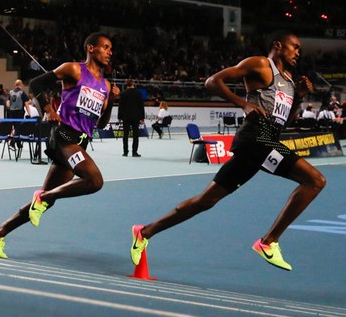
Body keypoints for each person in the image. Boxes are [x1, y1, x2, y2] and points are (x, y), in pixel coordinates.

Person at [130, 31, 326, 272]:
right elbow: (212, 81)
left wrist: (299, 96)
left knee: (206, 200)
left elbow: (283, 121)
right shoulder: (262, 65)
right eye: (295, 46)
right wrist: (243, 103)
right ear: (278, 45)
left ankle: (145, 231)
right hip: (256, 139)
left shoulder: (289, 79)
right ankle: (269, 242)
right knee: (315, 180)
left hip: (266, 140)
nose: (298, 52)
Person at [0, 33, 119, 259]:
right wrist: (48, 110)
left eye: (111, 49)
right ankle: (42, 198)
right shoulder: (74, 70)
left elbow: (102, 123)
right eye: (105, 47)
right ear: (90, 48)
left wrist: (113, 100)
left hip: (81, 142)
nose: (110, 52)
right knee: (94, 181)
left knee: (49, 199)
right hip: (64, 136)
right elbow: (36, 83)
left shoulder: (105, 85)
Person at [118, 78, 145, 157]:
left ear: (127, 85)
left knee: (125, 135)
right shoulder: (138, 93)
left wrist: (120, 116)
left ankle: (125, 152)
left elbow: (121, 106)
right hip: (136, 117)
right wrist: (142, 117)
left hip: (126, 117)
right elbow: (141, 106)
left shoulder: (123, 93)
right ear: (133, 84)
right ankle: (134, 152)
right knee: (135, 135)